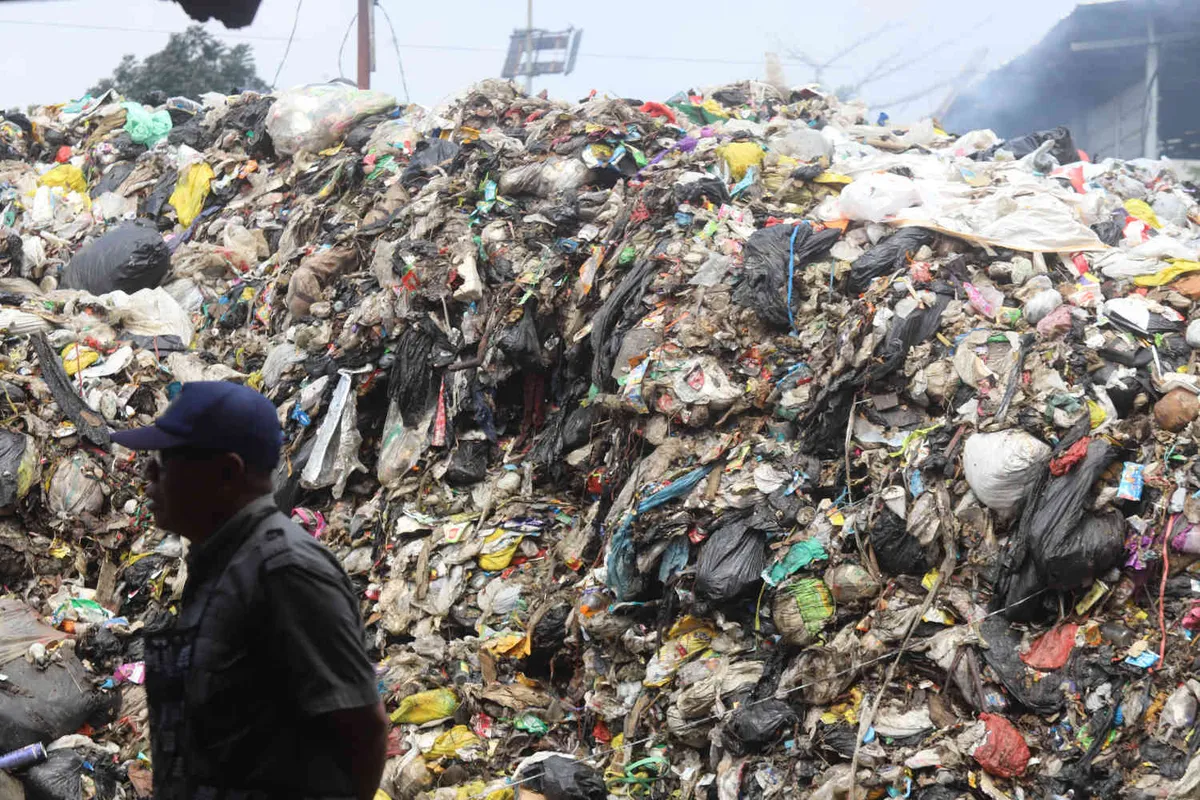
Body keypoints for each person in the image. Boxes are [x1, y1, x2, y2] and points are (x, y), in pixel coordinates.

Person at [111, 381, 388, 800]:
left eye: (166, 461)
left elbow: (363, 727)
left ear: (227, 472)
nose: (148, 475)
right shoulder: (225, 561)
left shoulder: (285, 572)